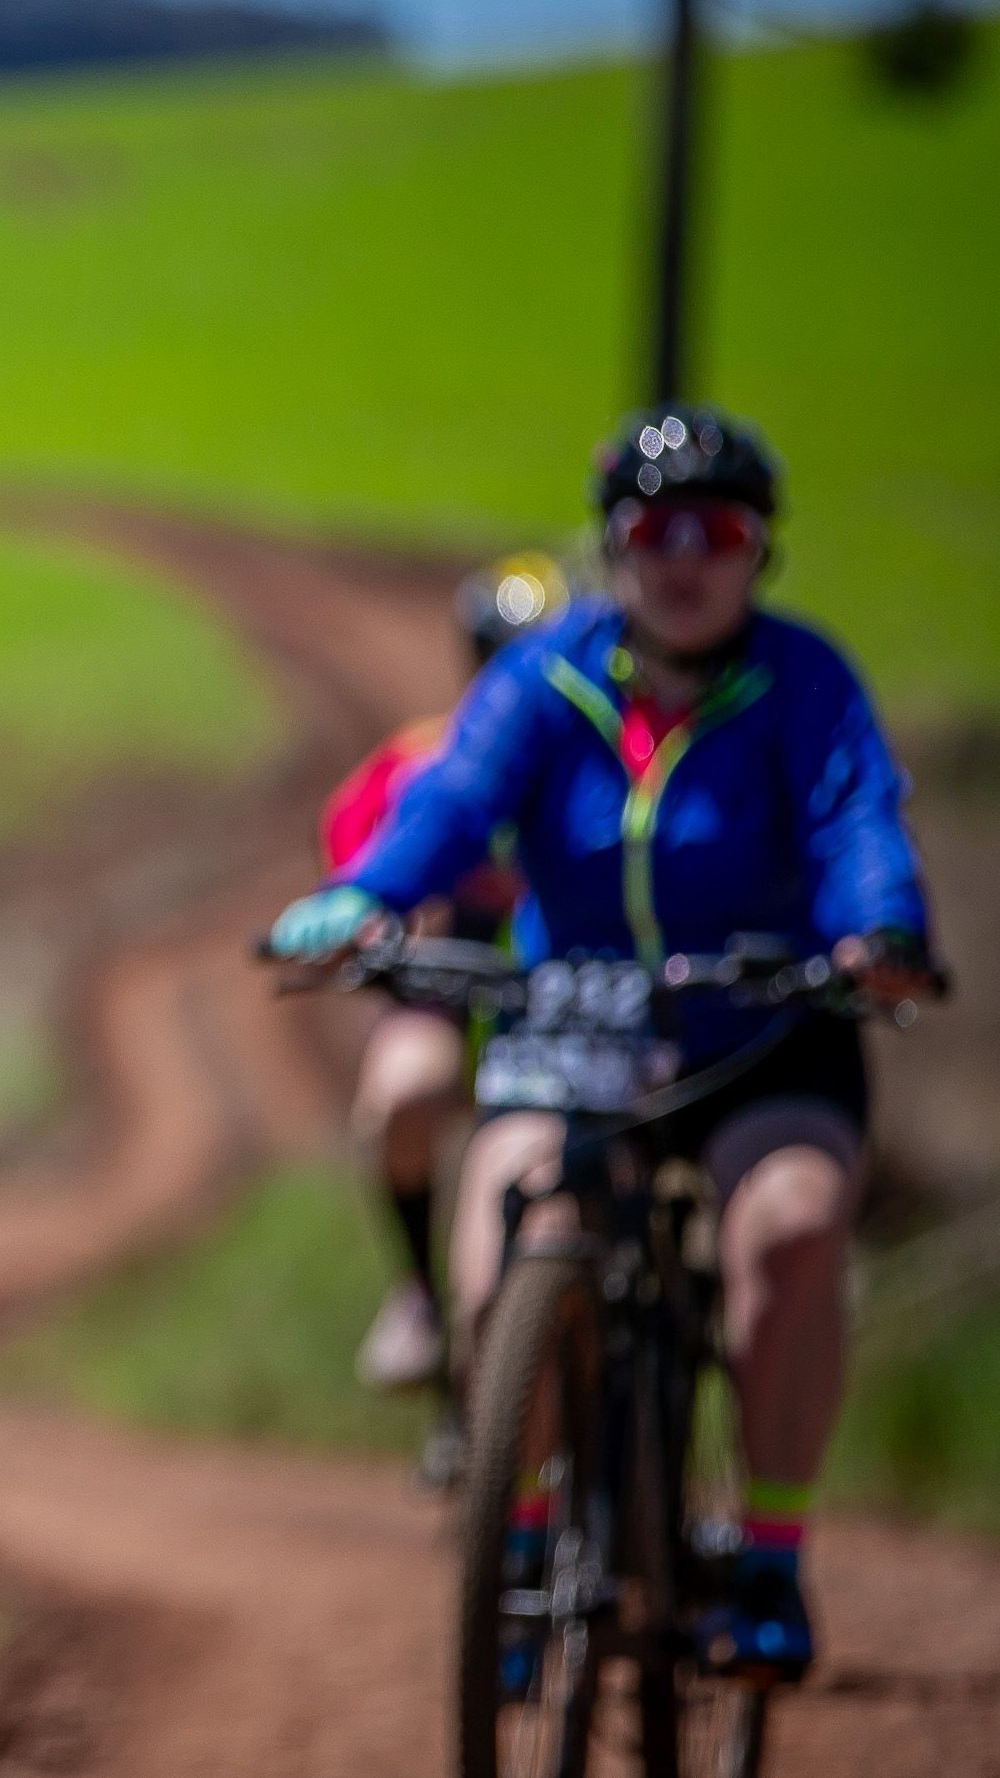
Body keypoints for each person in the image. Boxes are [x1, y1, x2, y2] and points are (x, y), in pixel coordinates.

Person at [269, 406, 937, 1685]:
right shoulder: (544, 677)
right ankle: (520, 1543)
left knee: (790, 1229)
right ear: (614, 543)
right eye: (655, 529)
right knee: (499, 1249)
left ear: (759, 551)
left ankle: (770, 1559)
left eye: (717, 532)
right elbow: (457, 798)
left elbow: (857, 819)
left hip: (760, 1029)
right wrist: (367, 893)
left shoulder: (805, 681)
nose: (684, 559)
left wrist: (880, 927)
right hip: (573, 1023)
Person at [327, 553, 567, 1403]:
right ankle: (418, 1294)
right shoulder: (418, 759)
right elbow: (352, 853)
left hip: (568, 991)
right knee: (401, 1094)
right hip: (447, 980)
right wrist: (365, 923)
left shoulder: (603, 763)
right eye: (498, 654)